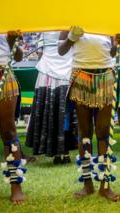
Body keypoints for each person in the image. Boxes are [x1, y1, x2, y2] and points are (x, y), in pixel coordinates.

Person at [58, 26, 120, 201]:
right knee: (85, 132)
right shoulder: (70, 23)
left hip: (106, 76)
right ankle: (87, 184)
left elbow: (110, 53)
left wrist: (117, 45)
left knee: (103, 132)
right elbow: (61, 50)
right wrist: (72, 36)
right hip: (81, 77)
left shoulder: (106, 22)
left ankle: (105, 185)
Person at [0, 31, 27, 204]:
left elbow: (19, 56)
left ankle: (16, 186)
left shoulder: (5, 16)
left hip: (2, 75)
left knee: (8, 131)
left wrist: (12, 40)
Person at [25, 31, 77, 164]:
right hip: (57, 70)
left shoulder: (46, 26)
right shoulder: (52, 26)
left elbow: (40, 52)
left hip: (55, 71)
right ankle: (62, 152)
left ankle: (59, 151)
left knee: (57, 112)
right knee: (64, 112)